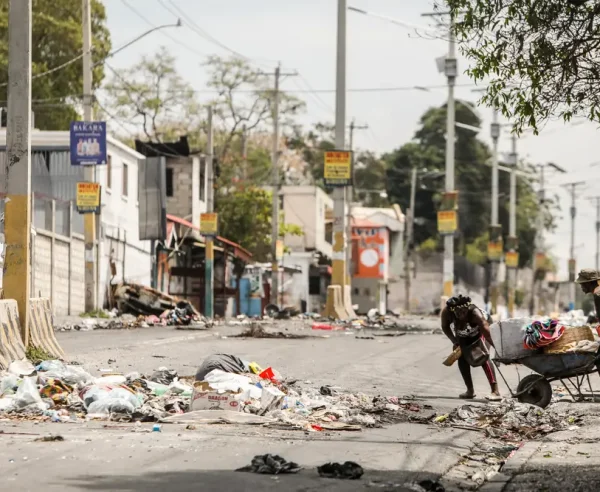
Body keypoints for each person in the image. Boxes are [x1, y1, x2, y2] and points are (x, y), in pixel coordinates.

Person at [441, 294, 501, 400]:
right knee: (462, 357)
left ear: (467, 308)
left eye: (464, 312)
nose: (461, 315)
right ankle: (470, 390)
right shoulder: (447, 313)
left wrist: (499, 350)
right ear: (453, 311)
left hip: (480, 331)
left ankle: (495, 391)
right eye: (458, 313)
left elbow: (487, 334)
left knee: (482, 355)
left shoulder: (475, 314)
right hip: (462, 334)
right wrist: (454, 341)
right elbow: (445, 327)